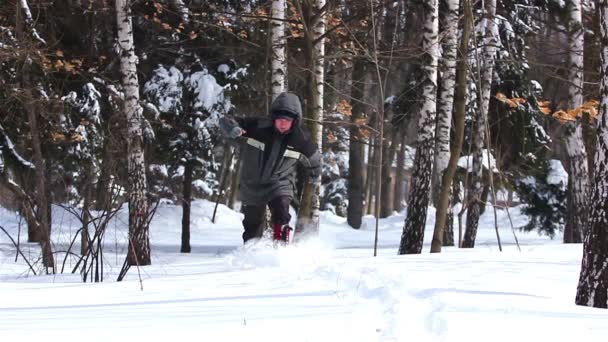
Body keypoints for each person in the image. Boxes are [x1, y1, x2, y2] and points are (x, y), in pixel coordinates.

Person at [219, 92, 322, 244]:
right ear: (273, 118)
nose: (282, 123)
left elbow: (315, 159)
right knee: (252, 225)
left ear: (294, 121)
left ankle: (280, 247)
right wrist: (232, 128)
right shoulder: (258, 126)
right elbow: (225, 120)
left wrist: (315, 175)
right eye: (279, 119)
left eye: (287, 120)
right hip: (252, 183)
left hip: (279, 183)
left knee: (281, 211)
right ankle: (250, 252)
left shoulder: (301, 138)